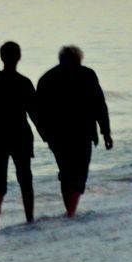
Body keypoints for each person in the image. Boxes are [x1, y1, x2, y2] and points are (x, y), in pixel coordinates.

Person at [36, 45, 113, 218]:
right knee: (80, 173)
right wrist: (106, 132)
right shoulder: (87, 74)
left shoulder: (46, 79)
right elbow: (99, 105)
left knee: (66, 172)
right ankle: (71, 210)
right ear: (78, 59)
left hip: (57, 136)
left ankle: (70, 210)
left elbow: (38, 112)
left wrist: (45, 136)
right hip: (83, 132)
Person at [0, 41, 39, 231]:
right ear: (19, 57)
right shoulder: (24, 82)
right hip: (20, 136)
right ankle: (30, 220)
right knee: (25, 181)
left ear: (1, 57)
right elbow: (36, 114)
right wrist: (48, 136)